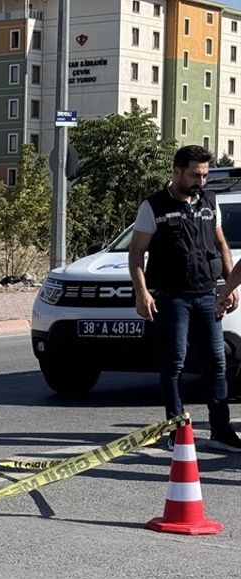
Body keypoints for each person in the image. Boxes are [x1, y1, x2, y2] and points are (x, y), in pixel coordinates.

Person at [130, 144, 241, 452]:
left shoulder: (209, 201)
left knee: (217, 364)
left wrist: (229, 286)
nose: (200, 181)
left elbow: (221, 244)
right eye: (194, 175)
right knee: (174, 364)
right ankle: (177, 430)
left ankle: (221, 430)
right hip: (172, 297)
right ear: (176, 171)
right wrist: (141, 293)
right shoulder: (154, 206)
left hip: (207, 294)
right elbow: (136, 252)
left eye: (204, 175)